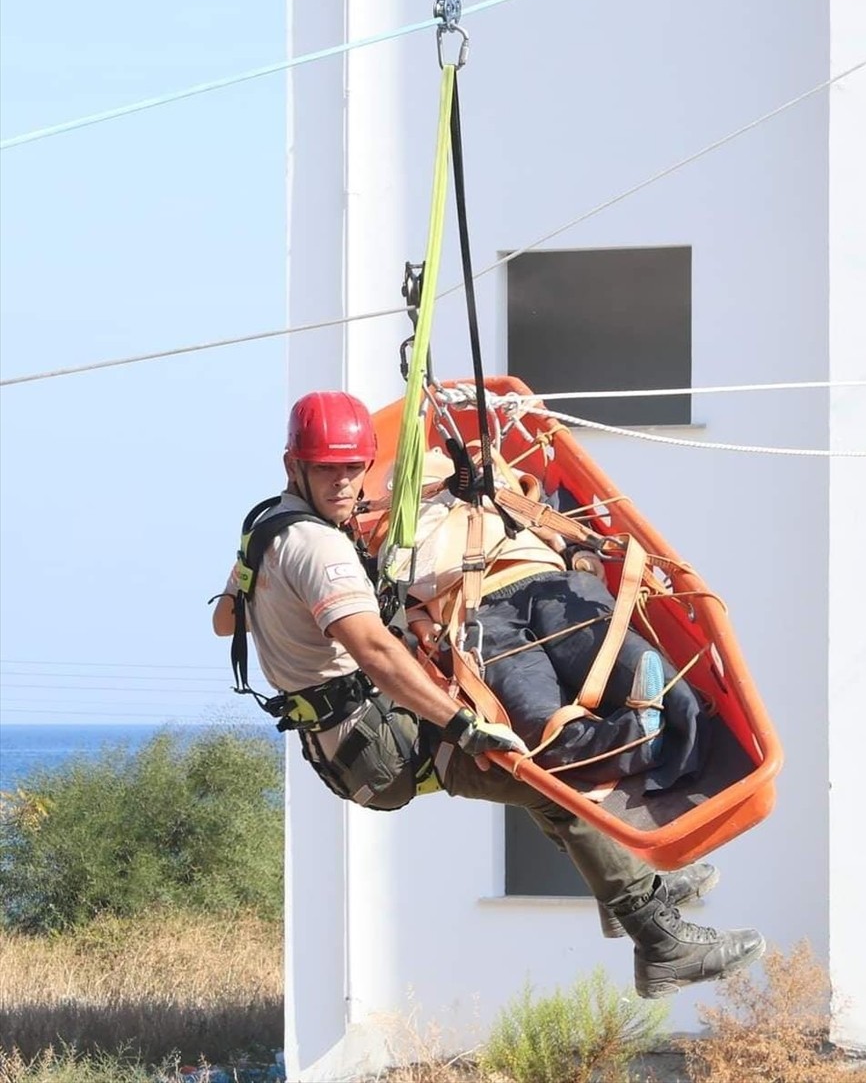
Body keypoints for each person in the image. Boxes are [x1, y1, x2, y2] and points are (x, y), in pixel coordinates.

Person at [211, 390, 765, 997]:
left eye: (352, 468)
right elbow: (372, 649)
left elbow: (225, 621)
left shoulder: (267, 528)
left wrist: (273, 602)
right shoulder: (319, 548)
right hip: (380, 743)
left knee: (535, 780)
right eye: (327, 470)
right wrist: (460, 724)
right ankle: (661, 941)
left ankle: (628, 893)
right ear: (295, 466)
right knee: (545, 779)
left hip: (350, 735)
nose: (344, 485)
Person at [388, 447, 711, 794]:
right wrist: (429, 633)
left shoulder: (490, 477)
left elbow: (546, 520)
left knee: (623, 659)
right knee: (533, 726)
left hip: (545, 581)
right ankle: (638, 736)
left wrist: (575, 550)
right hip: (477, 612)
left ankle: (673, 724)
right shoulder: (397, 533)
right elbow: (404, 605)